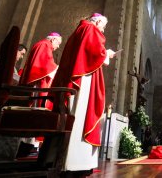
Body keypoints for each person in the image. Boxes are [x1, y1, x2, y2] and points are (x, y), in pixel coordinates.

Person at [50, 13, 118, 173]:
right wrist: (106, 54)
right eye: (103, 26)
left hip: (78, 79)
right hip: (84, 80)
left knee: (75, 115)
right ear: (98, 21)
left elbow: (86, 52)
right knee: (81, 116)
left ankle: (64, 161)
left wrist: (103, 54)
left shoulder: (80, 29)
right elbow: (95, 53)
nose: (103, 29)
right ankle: (76, 163)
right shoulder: (90, 29)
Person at [19, 32, 62, 107]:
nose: (58, 46)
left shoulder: (42, 44)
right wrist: (57, 68)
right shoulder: (45, 45)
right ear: (53, 40)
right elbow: (45, 64)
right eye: (58, 43)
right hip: (38, 81)